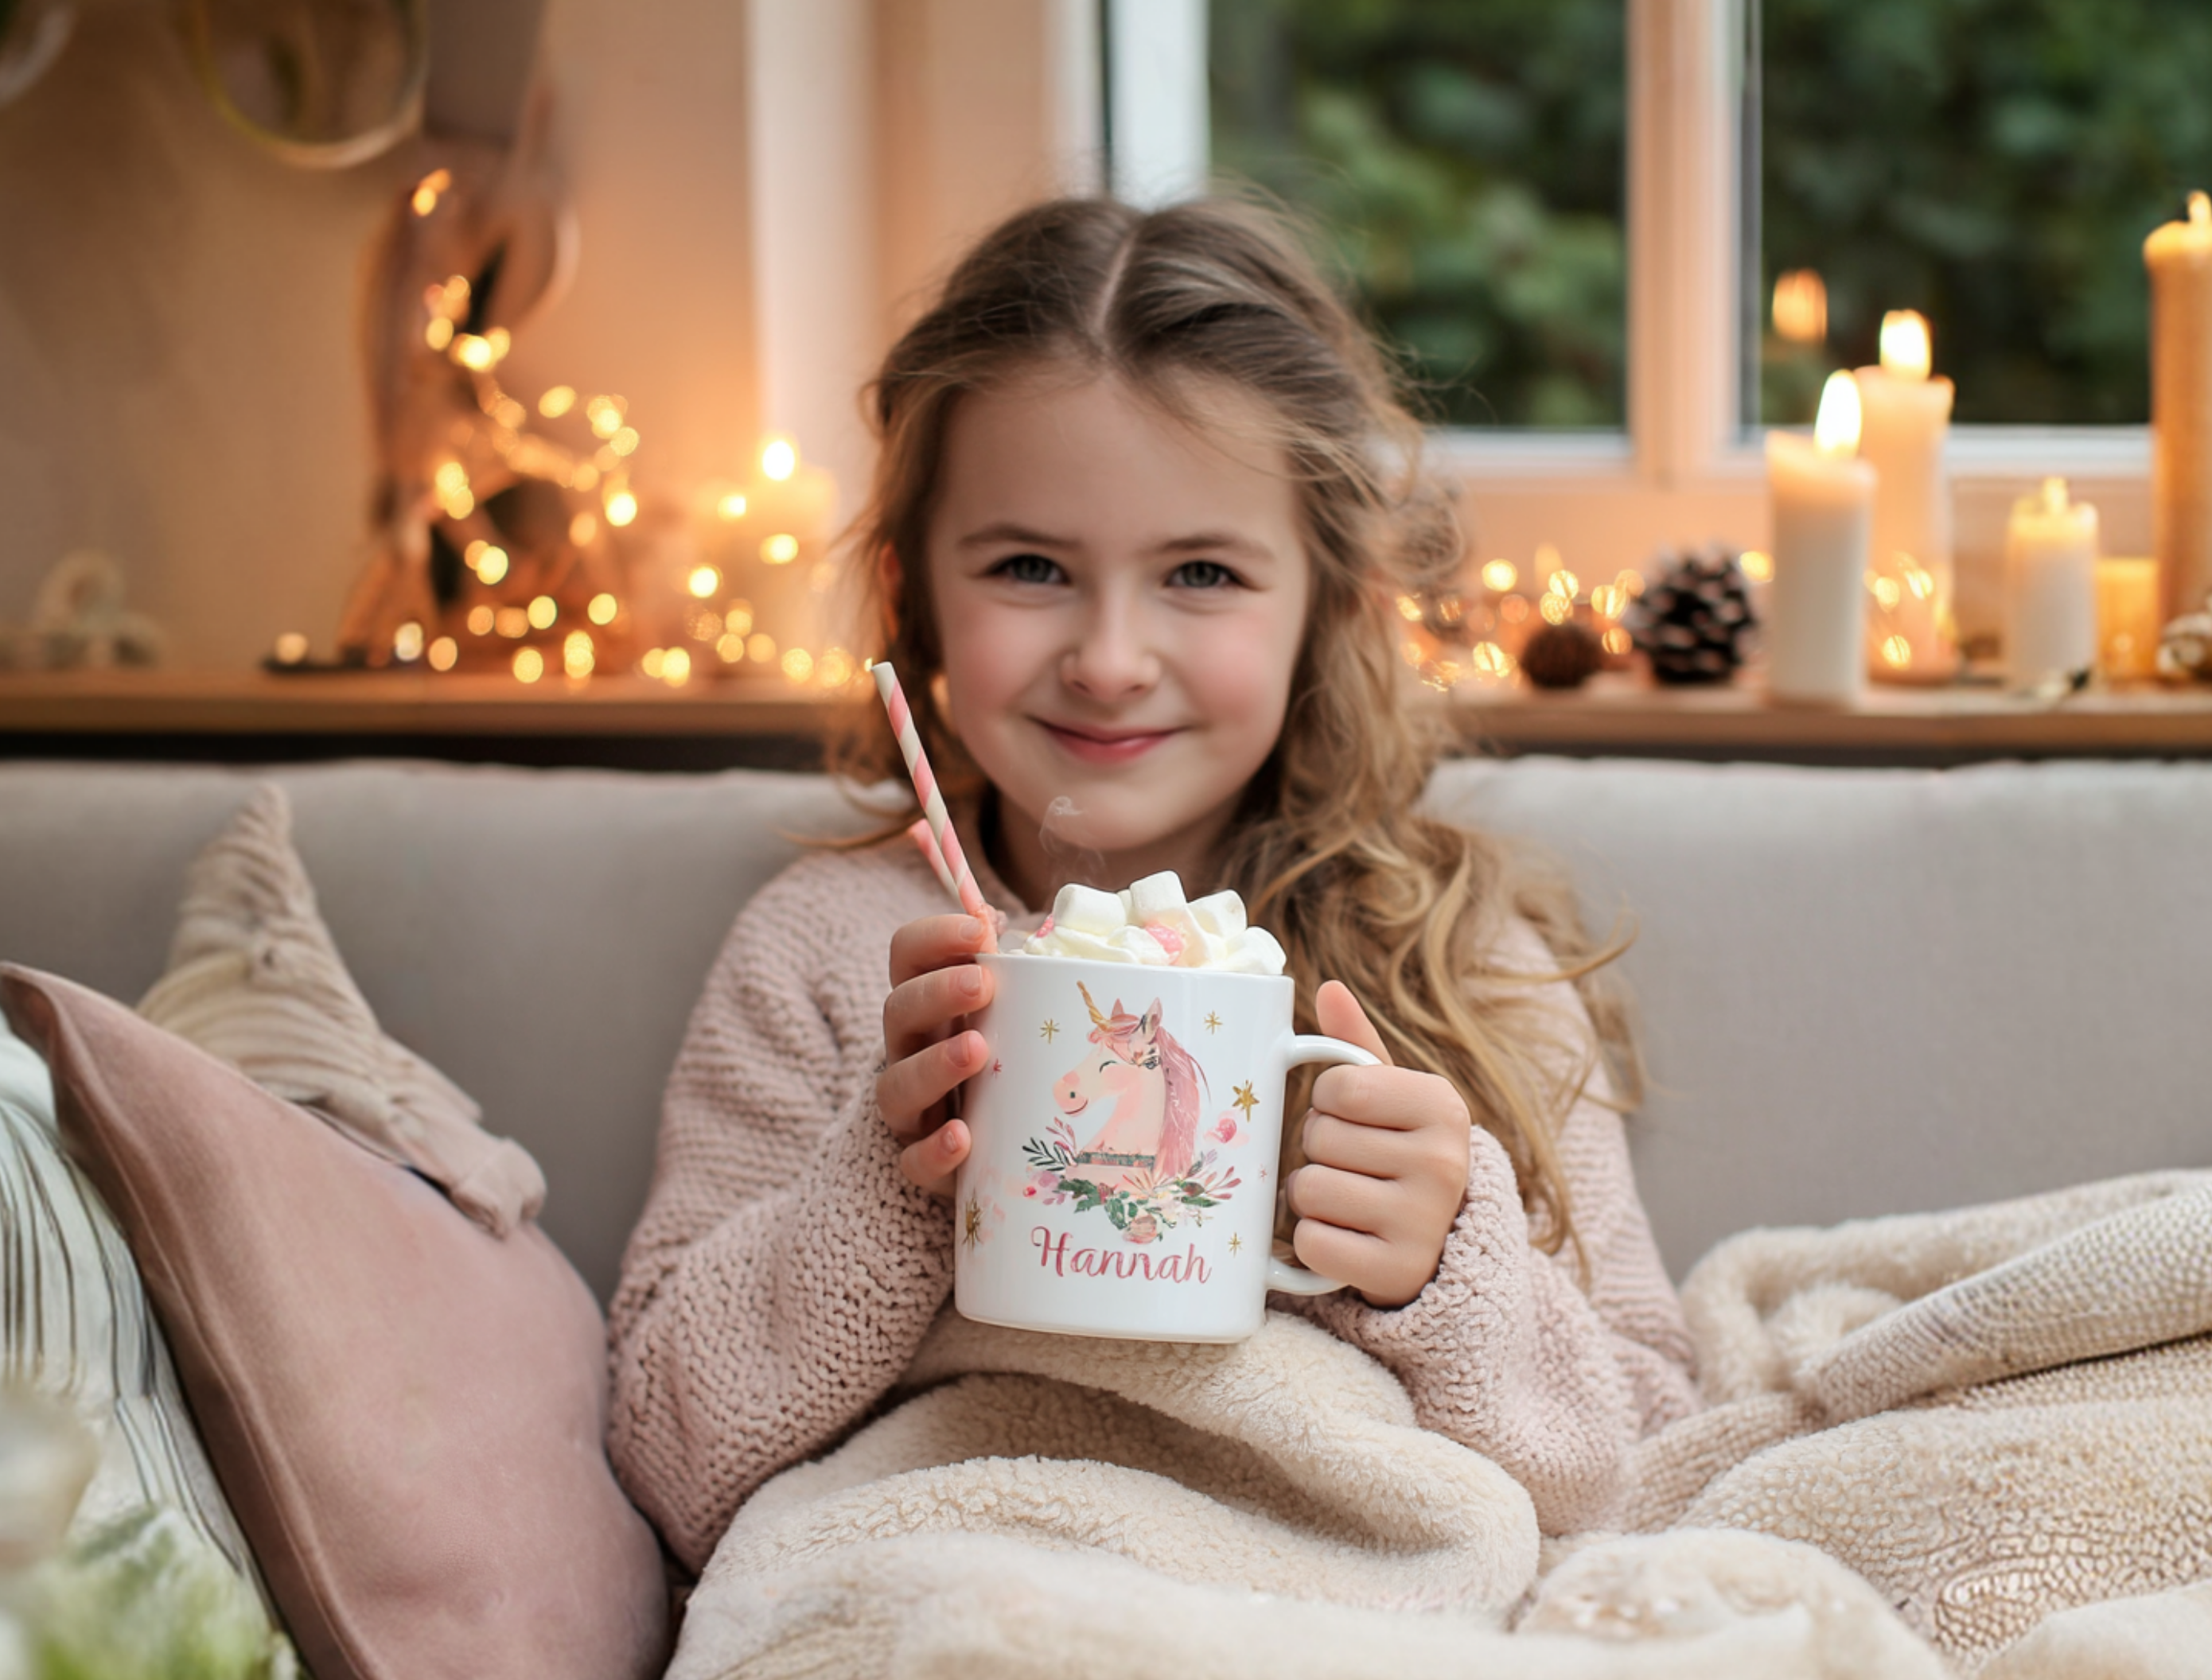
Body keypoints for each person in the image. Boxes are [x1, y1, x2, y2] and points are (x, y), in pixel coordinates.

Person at [607, 196, 1698, 1573]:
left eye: (1200, 572)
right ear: (914, 598)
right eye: (1027, 568)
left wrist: (1447, 1270)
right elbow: (663, 1446)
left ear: (1333, 602)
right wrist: (884, 1191)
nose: (1111, 657)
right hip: (933, 1584)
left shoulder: (1449, 955)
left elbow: (1645, 1442)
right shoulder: (832, 952)